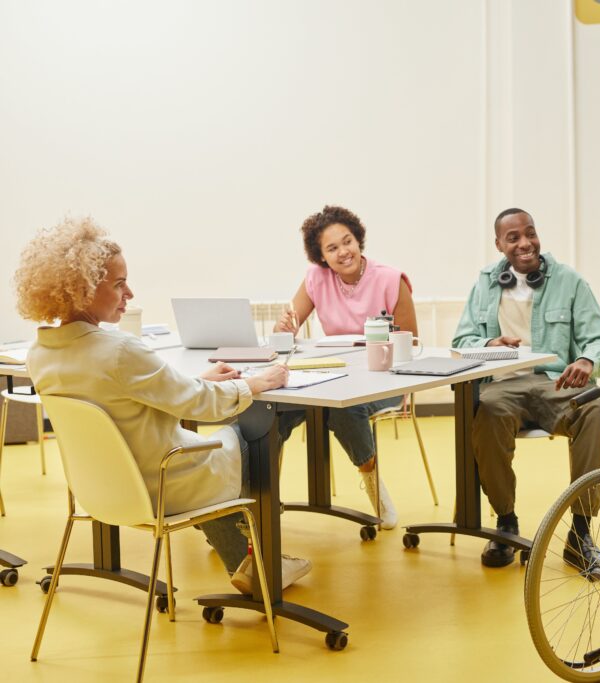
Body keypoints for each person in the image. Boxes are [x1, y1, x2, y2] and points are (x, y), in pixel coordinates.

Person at [14, 217, 310, 593]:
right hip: (164, 487)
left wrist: (196, 383)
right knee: (261, 426)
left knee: (206, 451)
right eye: (119, 284)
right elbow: (203, 406)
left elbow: (126, 400)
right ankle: (263, 565)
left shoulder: (41, 354)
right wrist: (255, 382)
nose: (131, 293)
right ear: (83, 289)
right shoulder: (120, 351)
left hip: (103, 491)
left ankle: (245, 561)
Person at [452, 208, 600, 569]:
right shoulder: (485, 284)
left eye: (530, 233)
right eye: (513, 238)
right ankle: (505, 524)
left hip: (554, 381)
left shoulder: (569, 281)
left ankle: (581, 534)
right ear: (499, 244)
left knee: (594, 410)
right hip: (503, 383)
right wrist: (490, 342)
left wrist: (587, 361)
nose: (525, 243)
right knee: (486, 412)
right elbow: (462, 339)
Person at [274, 204, 416, 529]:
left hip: (386, 380)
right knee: (273, 406)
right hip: (334, 377)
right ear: (321, 256)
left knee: (343, 408)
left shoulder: (391, 279)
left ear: (358, 240)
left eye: (347, 241)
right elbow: (289, 328)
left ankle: (374, 486)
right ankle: (261, 498)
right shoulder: (315, 279)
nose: (343, 252)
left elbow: (412, 345)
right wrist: (284, 328)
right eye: (332, 248)